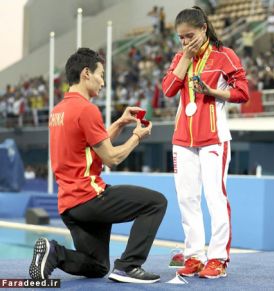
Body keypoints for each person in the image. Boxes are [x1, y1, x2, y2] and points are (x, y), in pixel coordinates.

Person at [28, 48, 167, 284]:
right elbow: (111, 157)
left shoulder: (58, 111)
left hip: (69, 206)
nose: (103, 82)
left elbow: (92, 145)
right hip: (90, 196)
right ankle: (129, 266)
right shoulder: (86, 109)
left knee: (98, 266)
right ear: (86, 73)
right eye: (101, 74)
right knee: (156, 202)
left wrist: (121, 122)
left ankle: (54, 253)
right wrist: (137, 137)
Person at [162, 6, 249, 279]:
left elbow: (243, 92)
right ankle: (195, 255)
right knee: (187, 199)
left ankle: (218, 259)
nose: (186, 42)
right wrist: (185, 58)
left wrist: (213, 91)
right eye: (181, 38)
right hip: (182, 138)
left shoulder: (225, 56)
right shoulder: (180, 58)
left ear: (203, 29)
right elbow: (167, 90)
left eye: (190, 35)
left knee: (214, 197)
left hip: (213, 138)